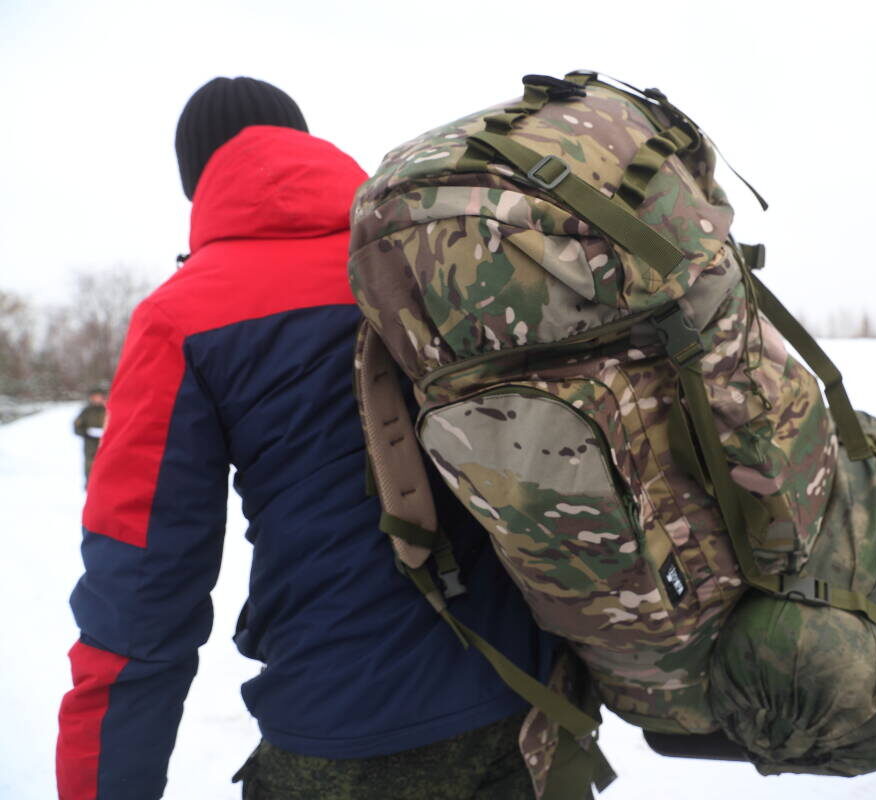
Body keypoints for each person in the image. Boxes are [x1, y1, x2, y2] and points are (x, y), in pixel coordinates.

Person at [57, 76, 556, 800]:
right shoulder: (433, 256)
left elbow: (140, 595)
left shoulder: (181, 317)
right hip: (533, 710)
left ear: (195, 180)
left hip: (344, 727)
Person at [73, 387, 107, 485]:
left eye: (99, 397)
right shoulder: (86, 412)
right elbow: (77, 427)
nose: (97, 399)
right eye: (95, 397)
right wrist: (87, 432)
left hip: (106, 444)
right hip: (90, 445)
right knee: (90, 467)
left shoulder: (108, 410)